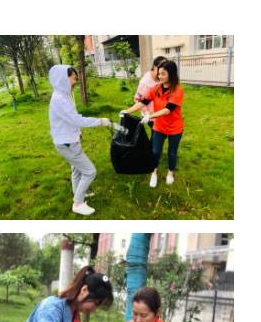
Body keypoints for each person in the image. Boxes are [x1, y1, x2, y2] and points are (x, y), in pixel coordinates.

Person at [48, 64, 113, 215]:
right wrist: (100, 121)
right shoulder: (60, 99)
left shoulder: (64, 94)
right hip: (67, 143)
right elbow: (75, 119)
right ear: (63, 79)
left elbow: (68, 119)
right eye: (73, 78)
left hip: (68, 139)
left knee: (76, 169)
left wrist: (77, 132)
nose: (75, 81)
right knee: (90, 172)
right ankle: (78, 203)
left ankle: (79, 193)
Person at [120, 59, 184, 188]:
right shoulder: (155, 89)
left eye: (163, 74)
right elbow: (142, 102)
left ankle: (170, 172)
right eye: (159, 73)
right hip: (159, 127)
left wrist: (150, 116)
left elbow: (168, 110)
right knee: (155, 151)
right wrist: (127, 111)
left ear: (171, 74)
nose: (160, 76)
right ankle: (154, 172)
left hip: (174, 128)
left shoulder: (177, 91)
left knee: (172, 152)